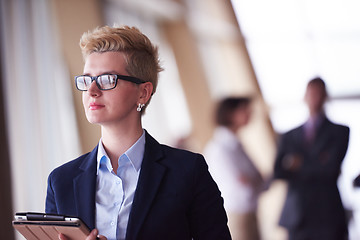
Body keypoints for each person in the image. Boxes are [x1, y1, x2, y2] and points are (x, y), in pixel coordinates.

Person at [45, 25, 231, 240]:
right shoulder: (61, 181)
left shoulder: (188, 171)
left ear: (143, 93)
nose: (92, 91)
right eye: (87, 80)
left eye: (107, 80)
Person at [273, 77, 349, 240]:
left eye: (319, 94)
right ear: (305, 96)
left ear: (325, 97)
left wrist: (297, 164)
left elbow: (330, 170)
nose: (314, 98)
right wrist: (318, 162)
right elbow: (278, 171)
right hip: (298, 215)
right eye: (311, 93)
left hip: (328, 214)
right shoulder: (289, 136)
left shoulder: (340, 131)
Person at [203, 97, 265, 240]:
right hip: (237, 215)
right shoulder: (220, 148)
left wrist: (254, 180)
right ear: (230, 114)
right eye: (244, 109)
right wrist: (254, 181)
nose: (250, 113)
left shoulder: (236, 144)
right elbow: (243, 183)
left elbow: (258, 179)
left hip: (249, 212)